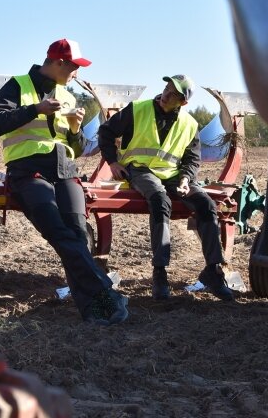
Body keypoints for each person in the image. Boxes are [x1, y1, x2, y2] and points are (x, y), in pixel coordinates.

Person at [0, 38, 129, 325]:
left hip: (65, 170)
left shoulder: (69, 96)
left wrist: (75, 129)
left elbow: (75, 147)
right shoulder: (18, 85)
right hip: (28, 172)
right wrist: (35, 109)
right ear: (59, 63)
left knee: (76, 235)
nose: (77, 73)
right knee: (60, 235)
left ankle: (95, 309)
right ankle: (107, 297)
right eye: (75, 67)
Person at [97, 75, 234, 301]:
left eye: (173, 94)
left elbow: (192, 159)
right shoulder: (138, 109)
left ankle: (213, 271)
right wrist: (112, 161)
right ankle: (160, 273)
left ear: (183, 103)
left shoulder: (189, 124)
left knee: (206, 204)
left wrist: (186, 179)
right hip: (140, 169)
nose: (166, 95)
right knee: (161, 201)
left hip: (173, 175)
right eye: (166, 88)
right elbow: (106, 132)